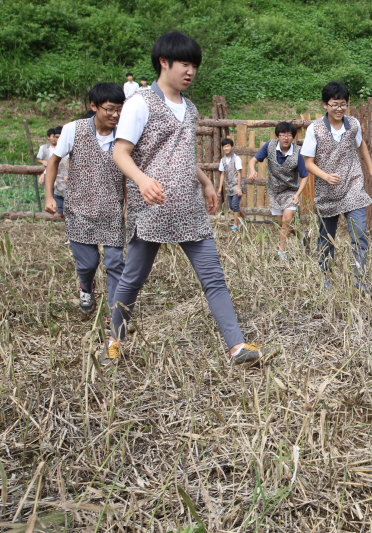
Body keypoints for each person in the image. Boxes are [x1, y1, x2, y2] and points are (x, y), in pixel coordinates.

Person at [107, 31, 272, 365]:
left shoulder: (191, 108)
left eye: (194, 65)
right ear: (164, 62)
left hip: (189, 206)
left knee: (213, 276)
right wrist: (141, 180)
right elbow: (120, 153)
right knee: (132, 280)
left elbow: (181, 155)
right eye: (184, 64)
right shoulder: (141, 101)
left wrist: (207, 184)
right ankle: (115, 340)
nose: (190, 71)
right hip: (152, 209)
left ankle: (236, 346)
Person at [43, 83, 127, 317]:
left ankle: (115, 311)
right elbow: (53, 162)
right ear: (93, 106)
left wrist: (127, 206)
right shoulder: (74, 129)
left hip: (112, 209)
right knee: (88, 263)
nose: (115, 115)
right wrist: (49, 196)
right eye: (110, 109)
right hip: (79, 209)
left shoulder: (123, 133)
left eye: (119, 109)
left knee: (115, 264)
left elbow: (127, 173)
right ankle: (86, 286)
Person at [302, 81, 372, 290]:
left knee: (360, 233)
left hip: (352, 185)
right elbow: (308, 163)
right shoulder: (315, 128)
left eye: (343, 104)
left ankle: (359, 280)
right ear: (325, 105)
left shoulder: (353, 124)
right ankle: (326, 280)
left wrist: (371, 168)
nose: (339, 108)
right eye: (334, 104)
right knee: (326, 238)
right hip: (327, 190)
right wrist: (326, 176)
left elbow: (361, 145)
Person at [247, 121, 309, 261]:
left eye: (289, 135)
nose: (286, 138)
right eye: (282, 135)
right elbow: (253, 161)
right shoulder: (270, 146)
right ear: (278, 136)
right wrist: (252, 170)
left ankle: (281, 251)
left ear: (293, 137)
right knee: (282, 224)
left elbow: (304, 176)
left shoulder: (297, 152)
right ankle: (301, 235)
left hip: (291, 191)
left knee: (286, 220)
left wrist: (297, 195)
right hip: (275, 191)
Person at [37, 127, 69, 219]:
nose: (57, 139)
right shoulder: (54, 151)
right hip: (58, 185)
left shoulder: (71, 149)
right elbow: (52, 165)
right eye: (56, 137)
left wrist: (69, 174)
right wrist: (44, 173)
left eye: (60, 137)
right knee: (60, 212)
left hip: (70, 186)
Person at [216, 137, 247, 231]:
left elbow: (239, 173)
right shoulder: (223, 160)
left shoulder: (236, 158)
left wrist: (239, 188)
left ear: (232, 147)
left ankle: (236, 224)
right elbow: (222, 174)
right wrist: (220, 188)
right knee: (232, 205)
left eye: (228, 146)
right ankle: (245, 218)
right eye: (224, 147)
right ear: (222, 148)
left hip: (237, 185)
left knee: (234, 204)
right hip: (229, 185)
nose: (226, 148)